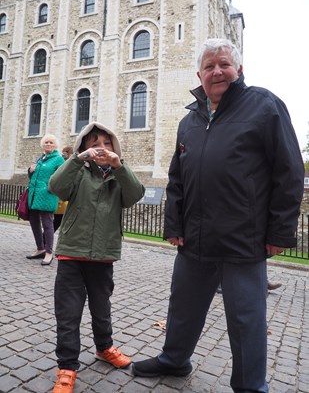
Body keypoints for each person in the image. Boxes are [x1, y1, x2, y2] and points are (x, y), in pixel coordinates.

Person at [132, 38, 304, 393]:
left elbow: (289, 172)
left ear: (239, 69)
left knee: (246, 320)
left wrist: (279, 232)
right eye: (209, 66)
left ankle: (249, 385)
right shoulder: (190, 121)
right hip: (194, 237)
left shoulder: (264, 106)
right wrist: (174, 224)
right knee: (183, 307)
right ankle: (175, 359)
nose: (217, 71)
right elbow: (177, 178)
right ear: (199, 75)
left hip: (244, 238)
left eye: (224, 64)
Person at [48, 121, 145, 393]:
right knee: (68, 314)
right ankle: (67, 367)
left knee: (101, 309)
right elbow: (56, 187)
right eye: (93, 145)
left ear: (115, 147)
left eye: (106, 143)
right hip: (72, 255)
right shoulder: (78, 171)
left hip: (103, 256)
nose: (100, 149)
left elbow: (134, 195)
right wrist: (77, 161)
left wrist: (119, 166)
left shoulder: (119, 174)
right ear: (84, 149)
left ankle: (104, 348)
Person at [26, 134, 64, 266]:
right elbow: (33, 177)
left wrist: (50, 187)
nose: (48, 144)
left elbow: (62, 177)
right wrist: (30, 171)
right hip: (34, 195)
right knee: (34, 222)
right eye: (46, 142)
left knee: (48, 224)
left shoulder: (58, 159)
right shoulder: (40, 158)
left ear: (55, 145)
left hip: (47, 195)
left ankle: (48, 252)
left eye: (51, 142)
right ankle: (40, 248)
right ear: (43, 145)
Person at [53, 146, 73, 233]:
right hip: (62, 200)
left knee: (56, 223)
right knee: (57, 222)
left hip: (63, 200)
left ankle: (44, 240)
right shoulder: (65, 164)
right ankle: (44, 240)